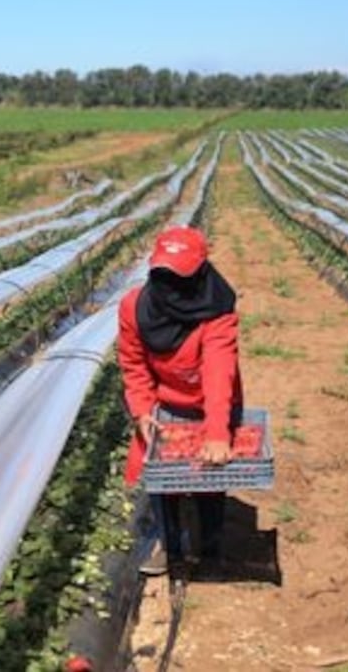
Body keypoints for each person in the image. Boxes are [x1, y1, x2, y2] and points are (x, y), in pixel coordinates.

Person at [116, 226, 241, 576]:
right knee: (160, 478)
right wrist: (141, 410)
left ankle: (211, 550)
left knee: (208, 478)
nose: (169, 285)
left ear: (200, 271)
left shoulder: (217, 309)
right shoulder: (134, 307)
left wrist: (217, 431)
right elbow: (133, 364)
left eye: (179, 275)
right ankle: (170, 546)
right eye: (162, 274)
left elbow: (218, 370)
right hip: (165, 402)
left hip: (209, 402)